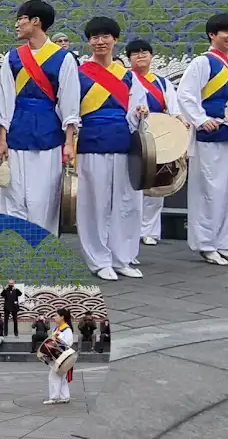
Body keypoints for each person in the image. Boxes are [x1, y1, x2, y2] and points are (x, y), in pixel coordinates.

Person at [0, 0, 79, 234]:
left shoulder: (63, 58)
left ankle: (40, 250)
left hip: (48, 136)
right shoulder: (12, 58)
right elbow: (6, 101)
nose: (17, 25)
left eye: (21, 19)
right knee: (12, 198)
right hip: (16, 134)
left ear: (36, 22)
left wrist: (69, 142)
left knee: (42, 201)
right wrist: (1, 138)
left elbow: (69, 101)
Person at [77, 17, 148, 281]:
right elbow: (69, 108)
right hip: (92, 143)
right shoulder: (79, 73)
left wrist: (140, 113)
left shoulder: (128, 76)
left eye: (106, 36)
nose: (100, 42)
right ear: (89, 42)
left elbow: (136, 109)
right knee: (94, 204)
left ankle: (122, 258)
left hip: (123, 143)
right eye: (95, 37)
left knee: (128, 203)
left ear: (115, 40)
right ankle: (99, 260)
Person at [177, 13, 228, 266]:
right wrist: (201, 119)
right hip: (210, 136)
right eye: (227, 32)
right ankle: (206, 243)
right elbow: (186, 94)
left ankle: (226, 242)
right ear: (212, 35)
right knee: (210, 191)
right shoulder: (203, 63)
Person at [126, 39, 187, 249]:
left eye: (145, 52)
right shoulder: (126, 80)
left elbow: (174, 108)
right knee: (133, 184)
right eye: (135, 53)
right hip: (134, 136)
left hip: (158, 136)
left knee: (157, 182)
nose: (141, 56)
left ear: (151, 56)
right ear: (129, 58)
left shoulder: (162, 83)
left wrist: (179, 122)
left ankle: (149, 231)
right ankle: (130, 230)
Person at [44, 308, 74, 405]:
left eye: (56, 315)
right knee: (61, 376)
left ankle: (54, 397)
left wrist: (59, 337)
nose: (55, 317)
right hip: (55, 355)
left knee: (54, 376)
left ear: (62, 317)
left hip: (62, 356)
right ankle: (64, 397)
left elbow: (69, 342)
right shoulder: (56, 328)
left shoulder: (67, 329)